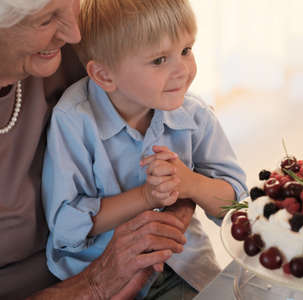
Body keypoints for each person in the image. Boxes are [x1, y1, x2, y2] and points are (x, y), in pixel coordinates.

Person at [41, 0, 248, 299]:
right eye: (159, 60)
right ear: (105, 76)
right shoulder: (74, 120)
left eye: (186, 50)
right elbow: (66, 226)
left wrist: (191, 184)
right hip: (107, 280)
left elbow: (238, 207)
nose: (183, 71)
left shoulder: (194, 114)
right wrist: (145, 197)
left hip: (183, 270)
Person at [0, 0, 198, 299]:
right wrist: (93, 286)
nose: (76, 34)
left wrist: (175, 208)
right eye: (46, 20)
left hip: (149, 268)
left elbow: (175, 127)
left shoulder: (67, 50)